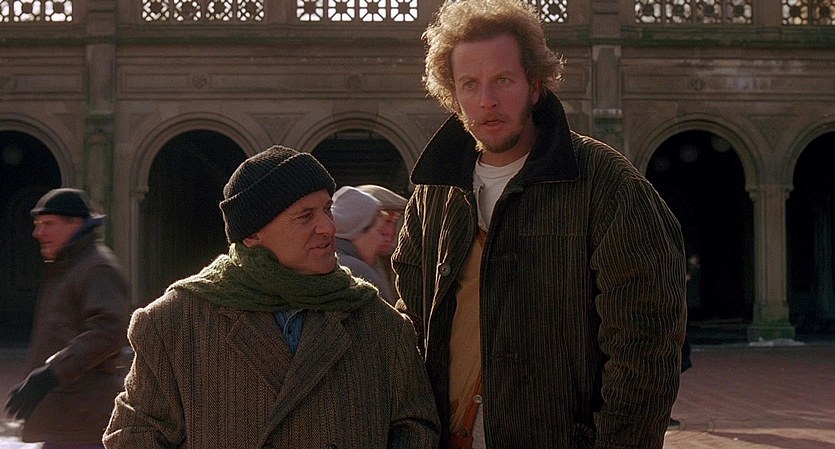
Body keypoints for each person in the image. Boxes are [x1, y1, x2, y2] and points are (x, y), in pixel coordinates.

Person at [391, 1, 687, 448]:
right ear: (452, 93)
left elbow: (645, 348)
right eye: (470, 84)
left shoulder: (605, 184)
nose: (487, 101)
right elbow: (413, 326)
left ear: (535, 85)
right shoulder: (434, 192)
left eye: (503, 80)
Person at [103, 145, 439, 449]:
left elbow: (416, 428)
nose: (328, 227)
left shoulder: (381, 325)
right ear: (252, 234)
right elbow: (133, 436)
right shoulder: (175, 325)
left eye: (327, 209)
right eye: (305, 216)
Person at [4, 188, 130, 449]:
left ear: (75, 223)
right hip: (67, 423)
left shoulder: (97, 267)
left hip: (85, 422)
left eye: (48, 224)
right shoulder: (68, 265)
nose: (38, 233)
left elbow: (108, 331)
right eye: (38, 224)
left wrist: (51, 374)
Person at [332, 185, 402, 305]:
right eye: (379, 230)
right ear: (358, 230)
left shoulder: (328, 260)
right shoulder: (359, 271)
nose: (385, 235)